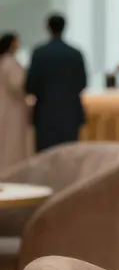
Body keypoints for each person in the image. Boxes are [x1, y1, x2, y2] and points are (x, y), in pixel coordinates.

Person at [25, 14, 88, 153]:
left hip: (45, 112)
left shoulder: (39, 53)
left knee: (45, 156)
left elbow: (31, 85)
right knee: (69, 154)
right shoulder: (75, 53)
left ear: (48, 28)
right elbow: (82, 83)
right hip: (70, 111)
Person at [0, 33, 30, 171]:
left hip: (7, 107)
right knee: (12, 143)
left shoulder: (4, 61)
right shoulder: (10, 63)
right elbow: (17, 85)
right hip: (13, 109)